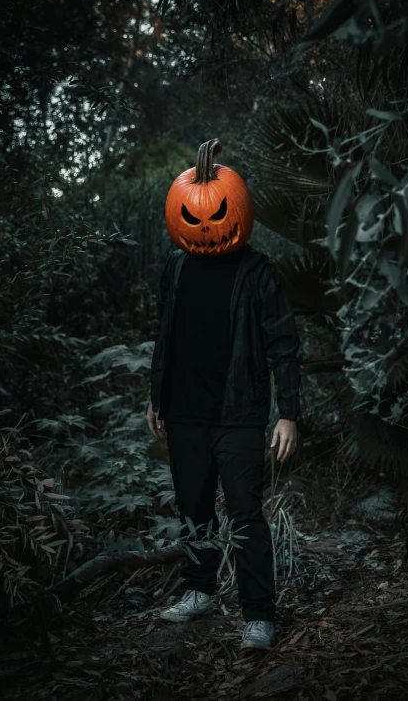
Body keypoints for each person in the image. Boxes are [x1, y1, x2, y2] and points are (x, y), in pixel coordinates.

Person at [146, 139, 301, 649]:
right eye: (194, 217)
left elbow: (284, 344)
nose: (206, 224)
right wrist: (156, 396)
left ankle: (259, 614)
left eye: (215, 214)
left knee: (245, 514)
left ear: (237, 211)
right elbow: (165, 332)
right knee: (192, 507)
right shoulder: (176, 266)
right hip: (185, 412)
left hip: (239, 413)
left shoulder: (258, 273)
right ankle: (199, 590)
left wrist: (288, 414)